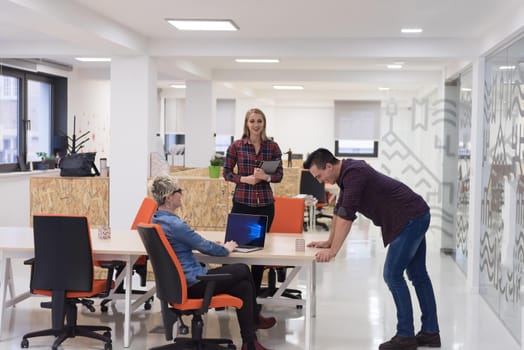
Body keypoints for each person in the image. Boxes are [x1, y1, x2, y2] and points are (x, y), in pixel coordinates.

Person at [303, 148, 440, 350]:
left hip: (410, 218)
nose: (319, 181)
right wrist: (329, 242)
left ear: (329, 166)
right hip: (416, 213)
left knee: (392, 275)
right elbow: (339, 212)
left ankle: (405, 336)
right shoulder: (347, 173)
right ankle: (430, 333)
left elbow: (347, 218)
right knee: (418, 275)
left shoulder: (354, 173)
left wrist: (333, 252)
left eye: (320, 175)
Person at [150, 174, 275, 350]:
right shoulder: (176, 225)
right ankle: (254, 319)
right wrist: (226, 248)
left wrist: (210, 244)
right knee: (242, 269)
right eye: (178, 191)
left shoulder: (156, 220)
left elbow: (187, 243)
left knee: (244, 287)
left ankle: (249, 343)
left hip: (177, 285)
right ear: (168, 198)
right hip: (194, 284)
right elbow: (205, 248)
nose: (182, 194)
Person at [223, 108, 283, 295]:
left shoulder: (272, 147)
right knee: (235, 248)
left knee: (259, 251)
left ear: (264, 124)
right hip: (242, 202)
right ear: (246, 124)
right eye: (252, 121)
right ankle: (229, 291)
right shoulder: (237, 146)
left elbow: (279, 175)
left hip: (265, 204)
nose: (256, 125)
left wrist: (266, 177)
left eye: (259, 121)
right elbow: (226, 173)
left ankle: (254, 293)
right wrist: (244, 179)